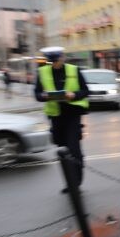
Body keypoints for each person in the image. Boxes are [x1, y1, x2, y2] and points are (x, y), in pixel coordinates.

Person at [34, 47, 90, 193]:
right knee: (62, 152)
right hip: (56, 117)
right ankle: (69, 183)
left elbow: (85, 90)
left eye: (57, 60)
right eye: (52, 62)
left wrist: (74, 95)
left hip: (72, 115)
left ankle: (76, 184)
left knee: (74, 149)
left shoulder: (74, 70)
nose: (55, 64)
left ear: (63, 57)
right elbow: (37, 94)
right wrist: (44, 96)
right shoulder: (42, 72)